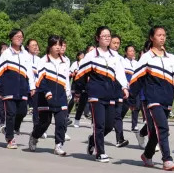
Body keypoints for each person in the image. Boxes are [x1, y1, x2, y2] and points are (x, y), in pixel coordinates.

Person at [130, 26, 174, 172]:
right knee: (163, 128)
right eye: (159, 35)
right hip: (152, 97)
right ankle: (167, 159)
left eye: (164, 35)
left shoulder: (171, 57)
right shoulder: (147, 57)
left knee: (156, 132)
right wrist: (131, 99)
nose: (162, 37)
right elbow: (137, 78)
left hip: (167, 97)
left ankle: (147, 154)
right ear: (152, 38)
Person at [75, 25, 128, 163]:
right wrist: (79, 91)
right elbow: (80, 73)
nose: (107, 38)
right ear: (98, 38)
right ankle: (100, 152)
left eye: (109, 36)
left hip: (110, 94)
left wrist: (124, 88)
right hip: (95, 94)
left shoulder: (114, 56)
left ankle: (92, 140)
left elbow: (120, 74)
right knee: (99, 124)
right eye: (104, 36)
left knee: (109, 125)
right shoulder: (91, 55)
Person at [28, 35, 71, 156]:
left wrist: (68, 92)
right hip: (45, 96)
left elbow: (66, 78)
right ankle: (34, 136)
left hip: (61, 96)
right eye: (55, 45)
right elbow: (41, 79)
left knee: (61, 121)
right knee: (44, 122)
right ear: (50, 46)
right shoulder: (43, 61)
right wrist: (47, 92)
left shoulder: (65, 61)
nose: (58, 47)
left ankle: (59, 145)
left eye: (60, 44)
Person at [0, 29, 34, 149]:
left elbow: (29, 72)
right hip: (9, 89)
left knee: (22, 112)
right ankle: (10, 138)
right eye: (17, 36)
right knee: (10, 113)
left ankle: (10, 128)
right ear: (11, 38)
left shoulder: (25, 54)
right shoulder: (6, 54)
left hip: (22, 88)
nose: (19, 38)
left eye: (21, 36)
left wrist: (32, 86)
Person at [70, 51, 88, 127]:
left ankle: (79, 119)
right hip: (77, 84)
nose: (82, 56)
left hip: (88, 85)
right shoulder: (76, 63)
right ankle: (67, 115)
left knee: (85, 103)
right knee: (73, 100)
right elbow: (73, 72)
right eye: (81, 55)